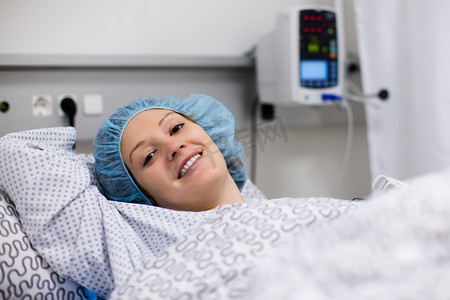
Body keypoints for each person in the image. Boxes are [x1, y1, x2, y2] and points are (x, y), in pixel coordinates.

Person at [93, 94, 248, 211]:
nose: (174, 146)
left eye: (176, 128)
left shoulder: (271, 211)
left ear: (206, 129)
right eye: (150, 156)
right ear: (144, 198)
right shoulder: (182, 254)